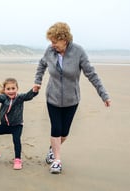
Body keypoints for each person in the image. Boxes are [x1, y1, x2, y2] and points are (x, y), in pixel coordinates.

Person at [33, 22, 111, 174]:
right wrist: (38, 80)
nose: (52, 45)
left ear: (64, 39)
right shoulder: (50, 51)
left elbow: (91, 74)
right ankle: (57, 161)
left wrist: (104, 94)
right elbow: (41, 65)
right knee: (55, 128)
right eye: (51, 42)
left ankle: (52, 149)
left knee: (64, 133)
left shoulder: (78, 52)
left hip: (71, 100)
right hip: (53, 98)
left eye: (55, 41)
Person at [0, 78, 38, 170]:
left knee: (16, 139)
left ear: (17, 88)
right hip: (5, 125)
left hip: (17, 125)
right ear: (5, 90)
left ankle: (17, 159)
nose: (11, 91)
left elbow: (28, 96)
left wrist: (34, 91)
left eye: (13, 88)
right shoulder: (4, 98)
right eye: (8, 89)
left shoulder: (20, 98)